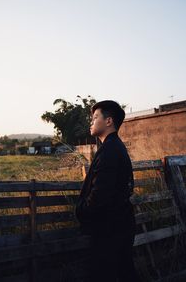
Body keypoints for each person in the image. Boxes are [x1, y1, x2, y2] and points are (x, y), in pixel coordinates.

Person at [75, 100, 141, 282]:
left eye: (95, 117)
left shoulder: (110, 150)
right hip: (118, 226)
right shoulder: (114, 147)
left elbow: (100, 195)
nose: (91, 122)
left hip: (110, 231)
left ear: (109, 121)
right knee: (124, 273)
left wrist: (81, 210)